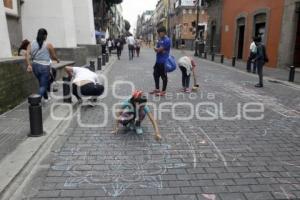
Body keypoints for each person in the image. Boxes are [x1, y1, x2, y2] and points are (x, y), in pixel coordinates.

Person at [26, 28, 60, 102]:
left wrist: (29, 65)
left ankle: (46, 98)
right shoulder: (48, 44)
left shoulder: (31, 43)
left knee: (41, 83)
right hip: (44, 67)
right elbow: (53, 56)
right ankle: (35, 101)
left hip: (34, 66)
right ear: (45, 36)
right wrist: (57, 60)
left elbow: (27, 54)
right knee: (43, 85)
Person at [150, 26, 171, 97]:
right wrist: (158, 49)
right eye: (158, 33)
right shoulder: (160, 39)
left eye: (159, 33)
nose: (158, 34)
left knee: (163, 76)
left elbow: (159, 49)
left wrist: (158, 49)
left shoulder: (167, 40)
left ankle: (163, 91)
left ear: (164, 32)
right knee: (155, 74)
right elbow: (157, 48)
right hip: (158, 61)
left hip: (164, 61)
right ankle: (157, 89)